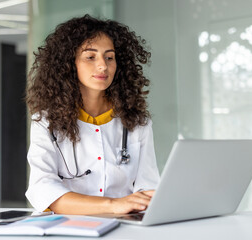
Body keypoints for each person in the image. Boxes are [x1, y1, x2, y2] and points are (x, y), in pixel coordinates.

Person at [25, 14, 160, 215]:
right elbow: (43, 188)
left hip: (125, 226)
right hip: (69, 228)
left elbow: (147, 187)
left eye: (109, 57)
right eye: (90, 57)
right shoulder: (46, 122)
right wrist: (113, 205)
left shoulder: (137, 122)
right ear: (69, 64)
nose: (103, 66)